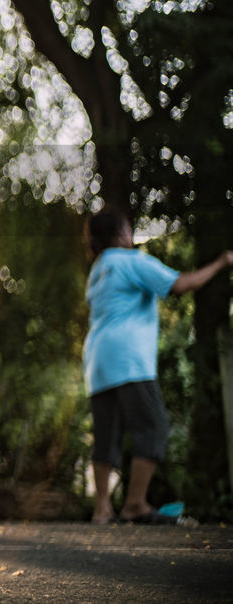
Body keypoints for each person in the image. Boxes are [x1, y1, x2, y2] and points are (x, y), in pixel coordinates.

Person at [83, 206, 233, 525]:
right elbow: (180, 284)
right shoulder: (130, 261)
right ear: (121, 233)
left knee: (106, 434)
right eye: (128, 228)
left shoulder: (98, 270)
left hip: (97, 360)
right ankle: (135, 503)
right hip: (128, 358)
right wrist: (222, 262)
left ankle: (102, 509)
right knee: (152, 425)